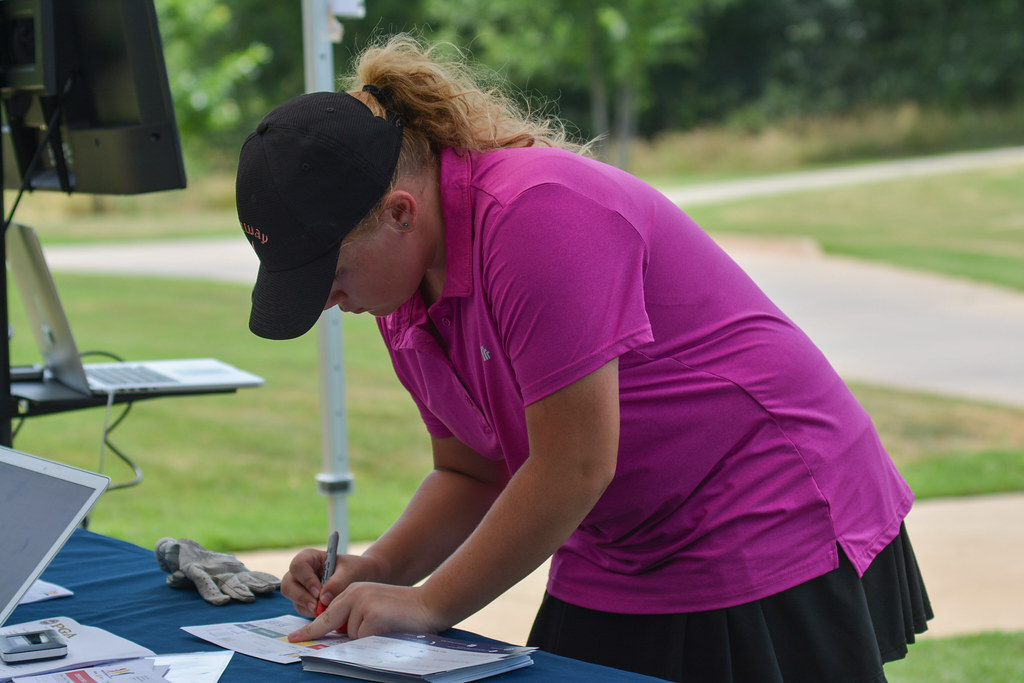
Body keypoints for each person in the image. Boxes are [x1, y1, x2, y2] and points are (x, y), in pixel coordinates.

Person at [235, 34, 932, 682]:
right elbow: (471, 468)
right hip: (621, 537)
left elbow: (575, 465)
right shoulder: (402, 288)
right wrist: (376, 568)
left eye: (331, 275)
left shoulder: (535, 212)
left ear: (400, 213)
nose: (328, 301)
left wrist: (426, 603)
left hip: (761, 512)